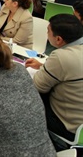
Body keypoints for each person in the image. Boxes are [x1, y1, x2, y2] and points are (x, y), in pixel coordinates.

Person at [25, 14, 83, 149]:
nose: (46, 34)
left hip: (68, 125)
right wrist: (43, 66)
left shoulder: (60, 57)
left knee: (24, 95)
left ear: (58, 39)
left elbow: (37, 87)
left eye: (48, 31)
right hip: (80, 119)